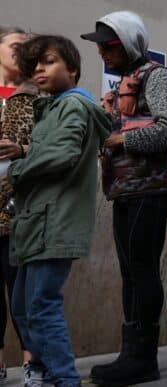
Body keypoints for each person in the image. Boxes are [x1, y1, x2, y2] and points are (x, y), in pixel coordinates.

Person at [81, 11, 167, 385]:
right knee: (130, 271)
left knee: (141, 270)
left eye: (109, 45)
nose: (103, 53)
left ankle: (143, 358)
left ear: (128, 43)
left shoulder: (156, 77)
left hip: (151, 188)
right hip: (126, 188)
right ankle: (131, 354)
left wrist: (121, 138)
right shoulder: (124, 81)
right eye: (99, 47)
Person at [12, 34, 110, 387]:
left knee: (41, 306)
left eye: (49, 60)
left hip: (54, 223)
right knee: (24, 307)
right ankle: (47, 373)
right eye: (34, 63)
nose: (39, 68)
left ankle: (65, 379)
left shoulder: (71, 105)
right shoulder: (51, 107)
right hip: (38, 223)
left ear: (72, 68)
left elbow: (63, 154)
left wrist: (20, 168)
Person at [0, 26, 34, 379]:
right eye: (14, 45)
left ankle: (30, 361)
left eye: (27, 48)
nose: (21, 51)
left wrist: (23, 149)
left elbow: (54, 148)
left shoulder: (36, 97)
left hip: (20, 209)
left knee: (22, 290)